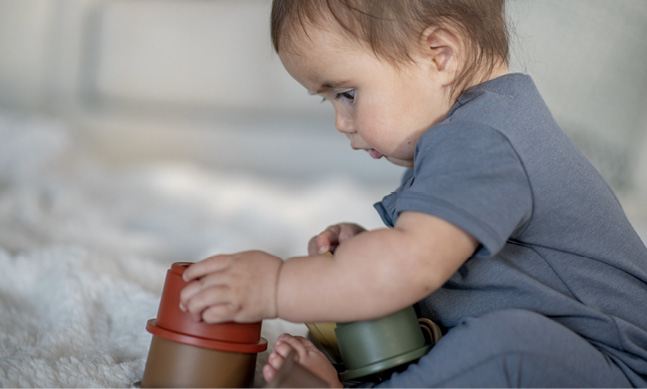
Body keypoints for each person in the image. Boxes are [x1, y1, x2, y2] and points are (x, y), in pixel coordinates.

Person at [179, 0, 647, 386]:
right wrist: (367, 246)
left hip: (615, 369)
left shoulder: (485, 139)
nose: (341, 123)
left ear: (439, 55)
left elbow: (408, 267)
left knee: (510, 344)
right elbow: (436, 266)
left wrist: (275, 286)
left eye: (346, 93)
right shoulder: (464, 135)